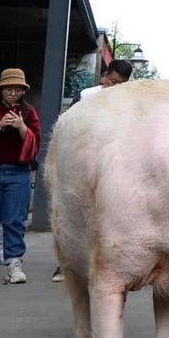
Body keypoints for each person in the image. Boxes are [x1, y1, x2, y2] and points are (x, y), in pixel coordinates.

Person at [53, 59, 134, 282]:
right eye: (113, 81)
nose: (116, 87)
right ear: (104, 77)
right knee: (75, 213)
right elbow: (65, 125)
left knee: (106, 216)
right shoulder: (86, 96)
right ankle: (66, 265)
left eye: (122, 84)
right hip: (81, 164)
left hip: (111, 168)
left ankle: (104, 265)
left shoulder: (129, 102)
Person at [0, 68, 41, 284]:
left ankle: (14, 263)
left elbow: (35, 144)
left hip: (18, 173)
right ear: (1, 90)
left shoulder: (29, 113)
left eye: (17, 89)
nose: (13, 93)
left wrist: (21, 127)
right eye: (9, 89)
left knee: (15, 221)